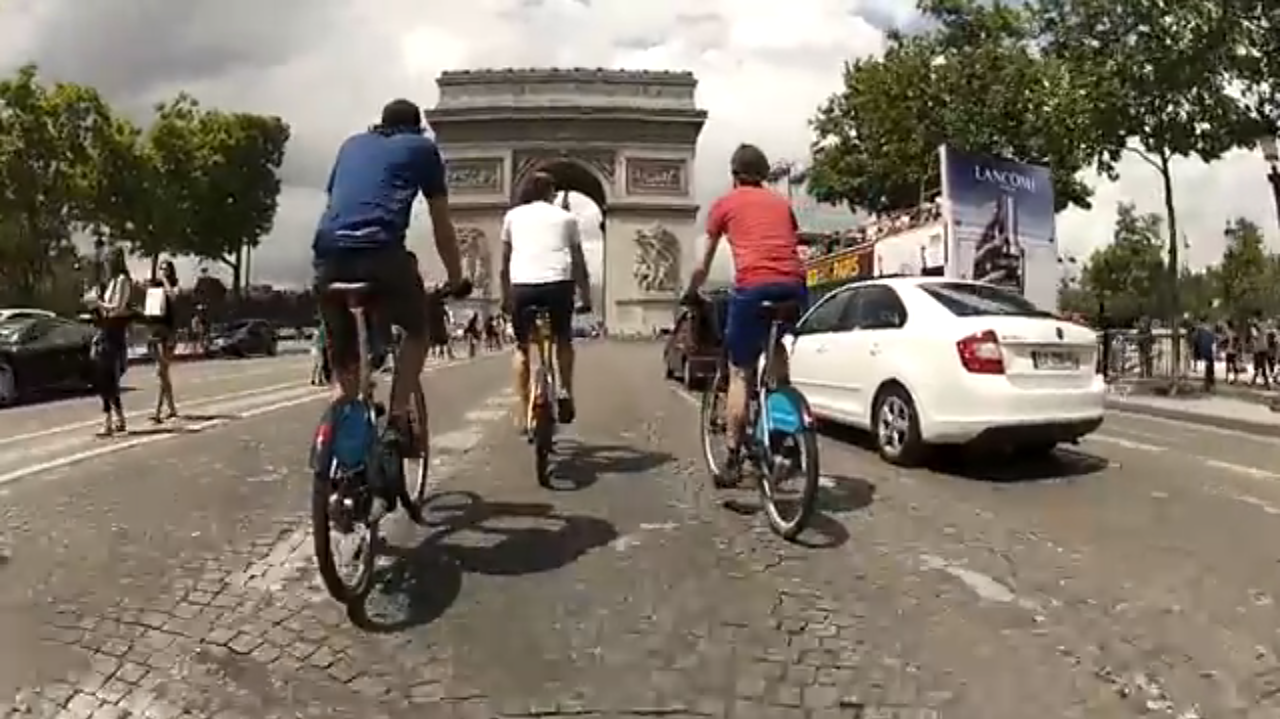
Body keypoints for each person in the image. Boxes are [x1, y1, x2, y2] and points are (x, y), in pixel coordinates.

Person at [312, 98, 465, 453]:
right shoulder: (422, 149)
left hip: (329, 255)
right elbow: (442, 224)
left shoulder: (351, 145)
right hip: (381, 253)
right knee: (416, 329)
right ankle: (398, 417)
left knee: (345, 363)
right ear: (418, 127)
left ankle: (339, 444)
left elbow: (337, 200)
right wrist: (456, 278)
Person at [682, 143, 808, 481]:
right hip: (794, 287)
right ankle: (786, 423)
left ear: (734, 175)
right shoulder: (782, 204)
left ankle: (733, 458)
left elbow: (702, 265)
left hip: (754, 287)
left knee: (740, 372)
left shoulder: (725, 204)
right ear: (765, 175)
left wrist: (690, 293)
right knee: (777, 348)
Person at [500, 171, 591, 428]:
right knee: (563, 338)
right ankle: (565, 391)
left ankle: (523, 409)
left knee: (521, 347)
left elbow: (504, 263)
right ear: (550, 193)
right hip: (558, 285)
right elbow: (579, 262)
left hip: (522, 287)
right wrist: (585, 296)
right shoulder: (567, 218)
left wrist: (506, 296)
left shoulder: (512, 216)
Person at [92, 249, 134, 437]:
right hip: (105, 329)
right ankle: (116, 419)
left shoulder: (123, 281)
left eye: (109, 261)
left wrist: (100, 304)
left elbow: (117, 308)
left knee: (107, 377)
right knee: (104, 378)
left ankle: (111, 421)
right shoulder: (111, 282)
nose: (106, 265)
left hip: (114, 332)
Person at [146, 259, 180, 422]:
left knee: (162, 371)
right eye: (161, 268)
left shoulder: (174, 285)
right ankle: (169, 409)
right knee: (162, 372)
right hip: (157, 330)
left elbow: (173, 297)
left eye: (166, 269)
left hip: (169, 331)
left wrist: (166, 281)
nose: (163, 271)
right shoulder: (157, 285)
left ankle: (160, 410)